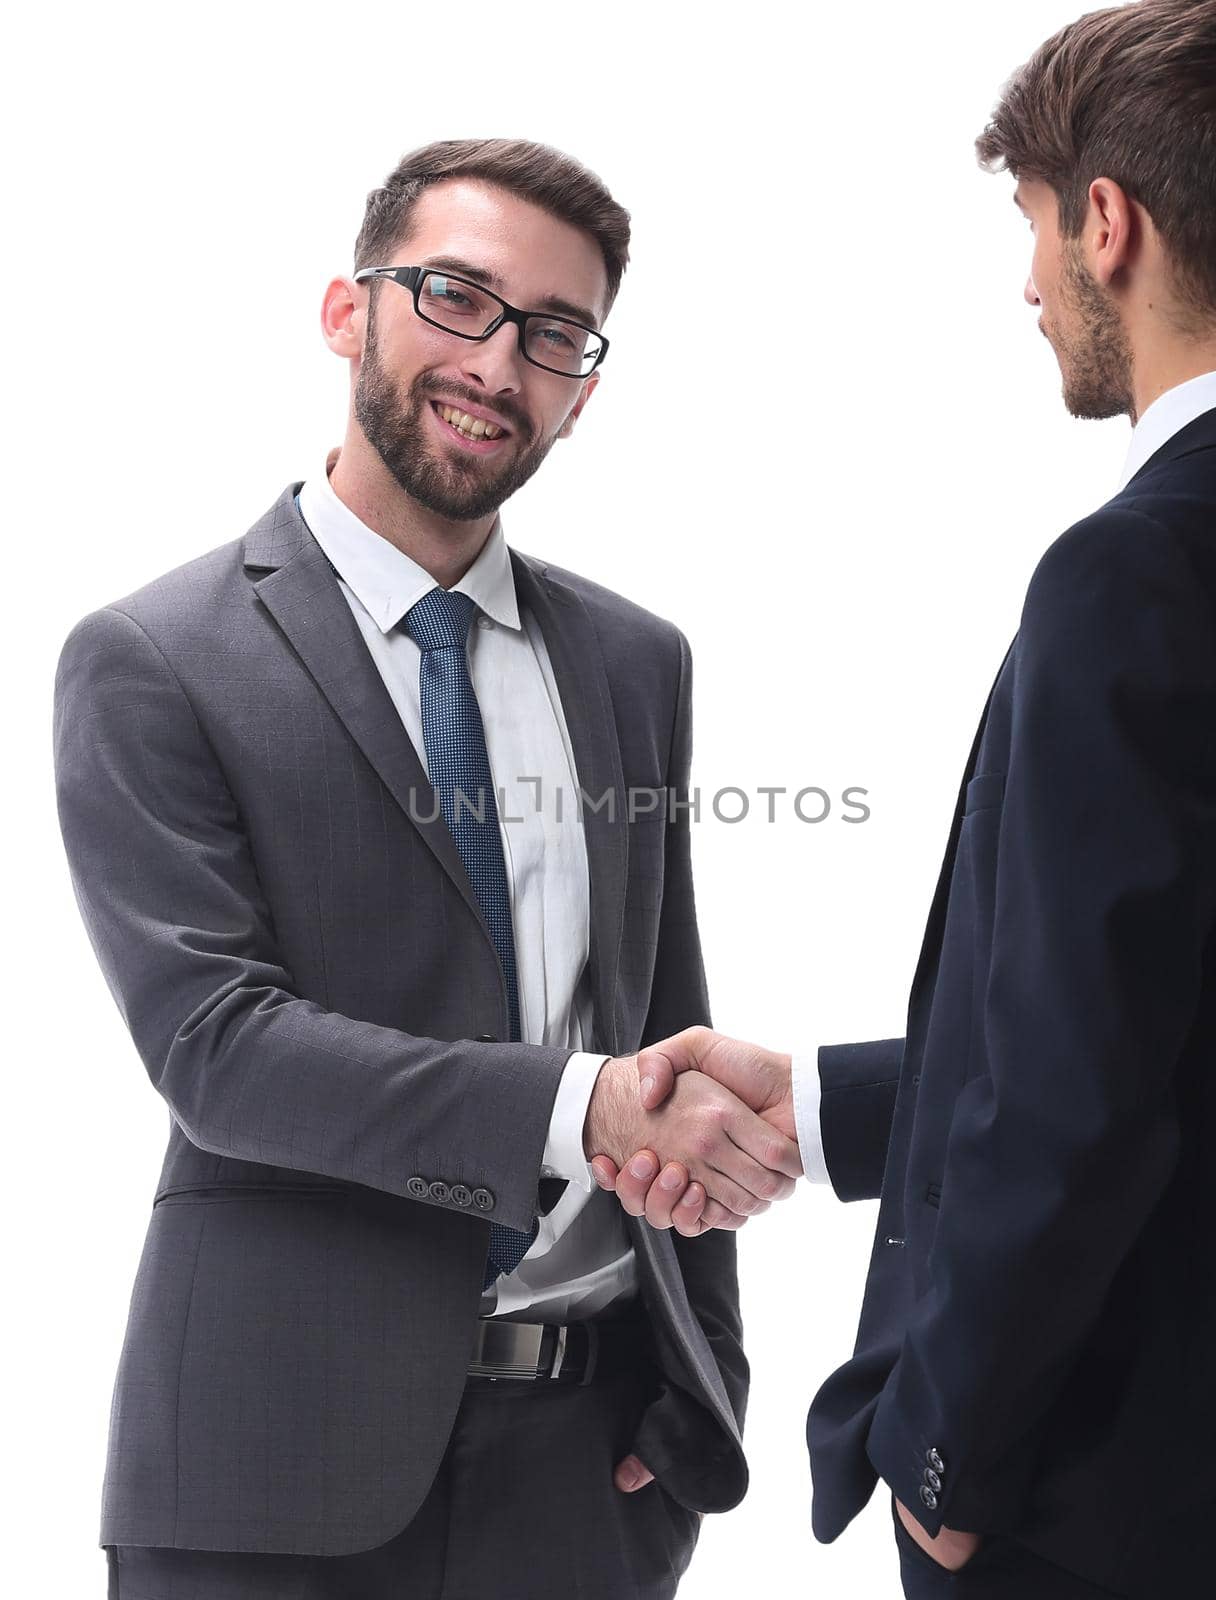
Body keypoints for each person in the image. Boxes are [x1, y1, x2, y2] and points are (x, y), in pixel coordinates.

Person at [52, 137, 803, 1600]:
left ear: (585, 390)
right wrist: (576, 1106)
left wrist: (700, 1370)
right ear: (349, 311)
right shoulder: (153, 660)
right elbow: (217, 1050)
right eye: (456, 297)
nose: (497, 363)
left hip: (590, 1470)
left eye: (554, 333)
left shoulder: (634, 663)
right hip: (268, 1474)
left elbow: (667, 1009)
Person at [595, 2, 1216, 1595]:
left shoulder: (1143, 568)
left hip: (1124, 1503)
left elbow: (1083, 1084)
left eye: (1034, 228)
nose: (1028, 286)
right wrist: (820, 1110)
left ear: (1108, 223)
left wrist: (947, 1454)